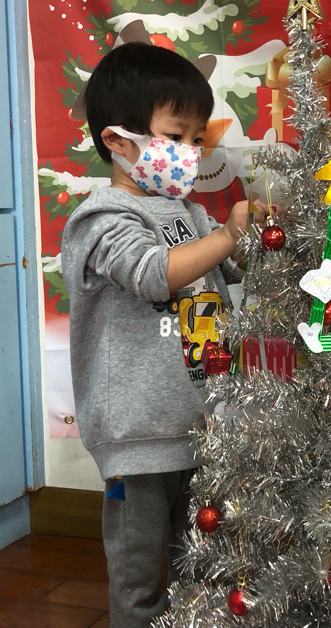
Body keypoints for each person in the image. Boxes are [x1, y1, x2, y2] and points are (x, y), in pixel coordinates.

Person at [61, 43, 249, 628]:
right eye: (176, 136)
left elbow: (231, 266)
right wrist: (227, 236)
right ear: (119, 141)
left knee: (204, 565)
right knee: (139, 572)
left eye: (196, 139)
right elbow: (151, 274)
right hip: (138, 436)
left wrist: (259, 235)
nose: (190, 152)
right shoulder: (101, 217)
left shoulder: (189, 213)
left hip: (202, 423)